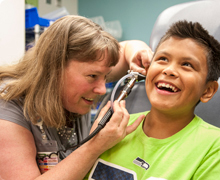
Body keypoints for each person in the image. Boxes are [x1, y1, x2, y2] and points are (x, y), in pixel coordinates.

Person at [0, 15, 153, 180]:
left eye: (106, 76)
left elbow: (129, 48)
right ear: (55, 68)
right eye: (93, 76)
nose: (102, 89)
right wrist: (96, 145)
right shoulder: (7, 108)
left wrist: (139, 53)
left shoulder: (79, 85)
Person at [85, 20, 220, 180]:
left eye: (187, 64)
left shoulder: (213, 148)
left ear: (207, 90)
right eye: (162, 59)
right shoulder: (112, 126)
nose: (169, 70)